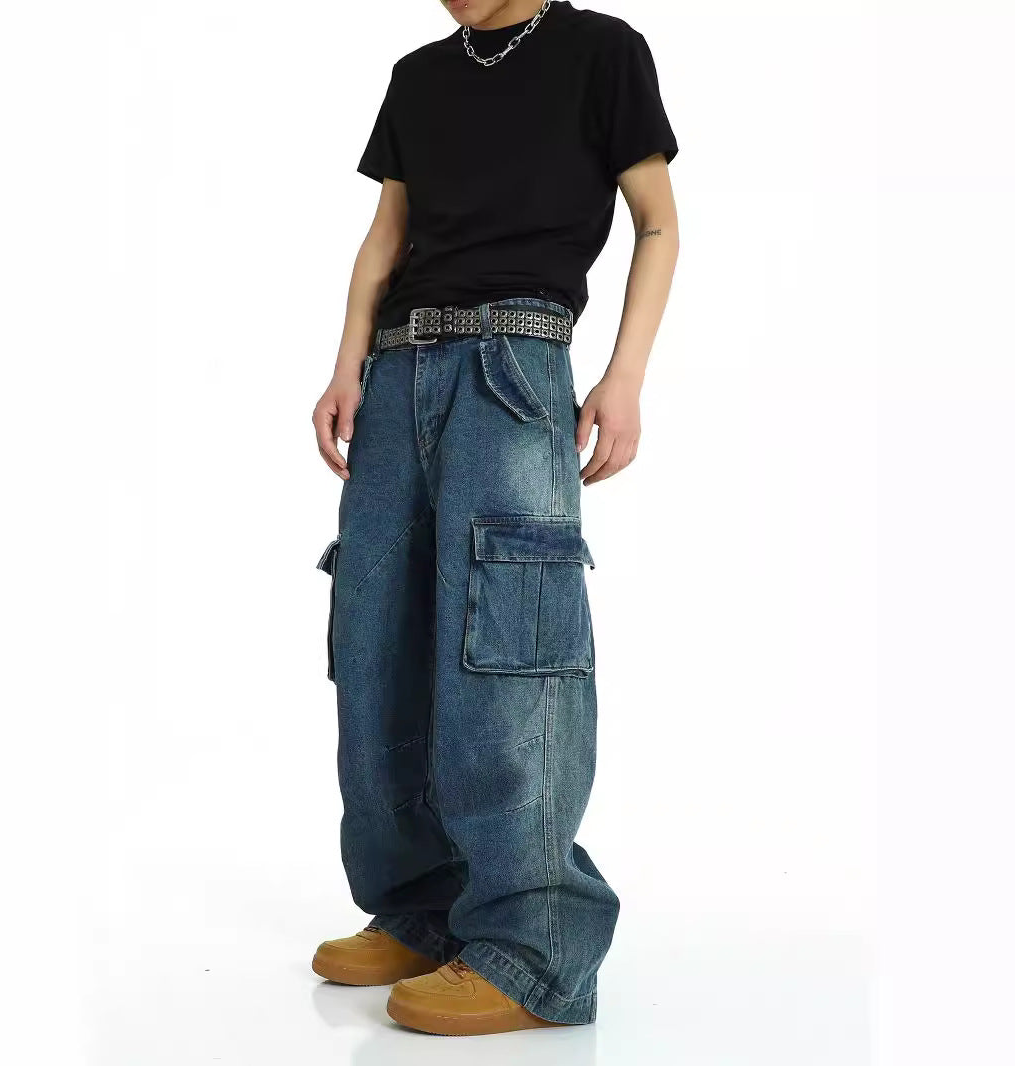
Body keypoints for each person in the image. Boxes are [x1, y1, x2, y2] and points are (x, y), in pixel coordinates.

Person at [310, 0, 679, 1037]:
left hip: (514, 368)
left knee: (510, 650)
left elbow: (657, 221)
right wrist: (347, 365)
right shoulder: (418, 76)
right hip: (397, 373)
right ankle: (423, 909)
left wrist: (624, 376)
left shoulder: (602, 52)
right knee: (376, 640)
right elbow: (385, 234)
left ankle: (535, 946)